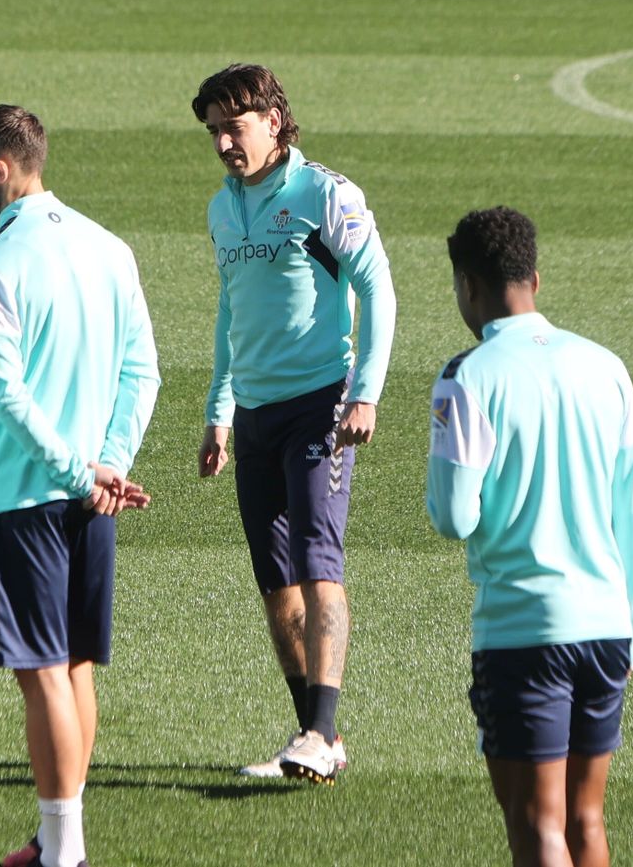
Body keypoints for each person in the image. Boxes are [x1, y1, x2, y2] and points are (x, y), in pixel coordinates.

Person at [0, 105, 159, 867]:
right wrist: (108, 464)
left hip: (28, 495)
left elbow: (5, 396)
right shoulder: (109, 246)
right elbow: (143, 370)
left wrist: (78, 469)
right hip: (94, 495)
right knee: (73, 670)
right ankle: (56, 839)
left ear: (0, 168)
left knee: (42, 676)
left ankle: (64, 851)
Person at [427, 207, 633, 867]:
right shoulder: (605, 365)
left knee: (537, 827)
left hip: (524, 630)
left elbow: (454, 517)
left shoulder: (468, 375)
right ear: (535, 277)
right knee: (586, 819)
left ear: (468, 284)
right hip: (607, 625)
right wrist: (629, 627)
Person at [191, 63, 395, 782]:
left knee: (316, 561)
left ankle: (320, 730)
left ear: (273, 121)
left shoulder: (324, 194)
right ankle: (315, 735)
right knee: (275, 581)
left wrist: (365, 392)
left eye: (234, 127)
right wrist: (219, 411)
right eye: (213, 131)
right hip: (254, 413)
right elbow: (230, 308)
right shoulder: (222, 209)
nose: (223, 143)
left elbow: (378, 285)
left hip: (320, 402)